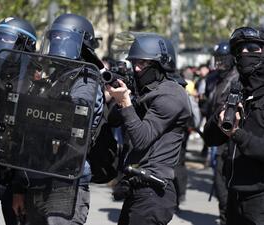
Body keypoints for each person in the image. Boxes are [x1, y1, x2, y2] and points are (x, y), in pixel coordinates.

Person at [11, 13, 104, 225]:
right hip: (38, 176)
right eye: (56, 38)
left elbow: (78, 114)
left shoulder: (86, 78)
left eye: (64, 38)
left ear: (80, 43)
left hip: (65, 181)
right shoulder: (55, 78)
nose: (57, 44)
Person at [107, 34, 191, 225]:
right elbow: (112, 120)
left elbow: (142, 138)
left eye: (143, 63)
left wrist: (126, 102)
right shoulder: (145, 92)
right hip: (137, 187)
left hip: (154, 192)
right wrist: (121, 94)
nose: (136, 69)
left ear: (161, 64)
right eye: (134, 62)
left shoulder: (172, 94)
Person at [203, 26, 264, 225]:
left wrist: (237, 134)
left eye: (253, 48)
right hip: (234, 193)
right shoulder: (238, 91)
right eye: (240, 50)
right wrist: (219, 120)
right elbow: (210, 138)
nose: (245, 53)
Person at [0, 16, 37, 225]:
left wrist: (19, 188)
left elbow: (31, 145)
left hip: (17, 180)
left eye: (5, 40)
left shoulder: (34, 91)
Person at [206, 41, 238, 225]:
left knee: (227, 181)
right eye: (218, 60)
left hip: (232, 136)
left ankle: (228, 216)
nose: (220, 64)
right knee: (219, 181)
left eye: (223, 60)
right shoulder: (216, 79)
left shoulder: (237, 79)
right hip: (217, 135)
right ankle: (224, 215)